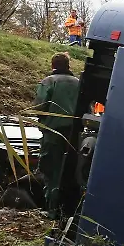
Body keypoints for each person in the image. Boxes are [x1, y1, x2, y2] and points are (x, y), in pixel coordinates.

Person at [32, 52, 80, 219]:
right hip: (75, 136)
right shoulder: (79, 83)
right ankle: (67, 211)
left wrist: (43, 120)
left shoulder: (48, 82)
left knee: (50, 170)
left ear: (53, 65)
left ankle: (51, 210)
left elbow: (39, 106)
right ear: (68, 66)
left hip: (53, 133)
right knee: (69, 171)